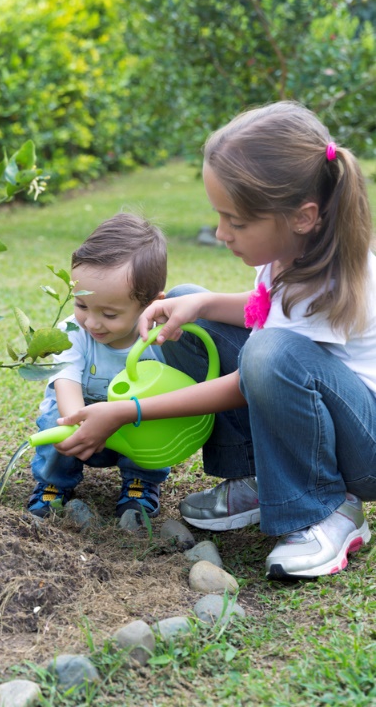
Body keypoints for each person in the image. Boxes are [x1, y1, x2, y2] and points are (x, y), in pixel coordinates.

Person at [54, 101, 376, 580]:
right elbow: (261, 311)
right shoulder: (292, 252)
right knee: (191, 304)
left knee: (268, 357)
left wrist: (128, 411)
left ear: (303, 216)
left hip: (362, 447)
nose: (222, 233)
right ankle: (259, 478)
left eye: (238, 222)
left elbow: (254, 375)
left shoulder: (332, 280)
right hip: (321, 408)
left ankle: (325, 508)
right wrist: (198, 306)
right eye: (220, 217)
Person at [28, 212, 170, 518]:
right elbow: (65, 383)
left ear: (151, 305)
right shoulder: (71, 333)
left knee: (155, 421)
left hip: (132, 420)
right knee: (57, 421)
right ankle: (54, 483)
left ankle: (141, 482)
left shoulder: (160, 341)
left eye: (109, 313)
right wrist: (78, 424)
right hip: (81, 417)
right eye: (81, 305)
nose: (91, 321)